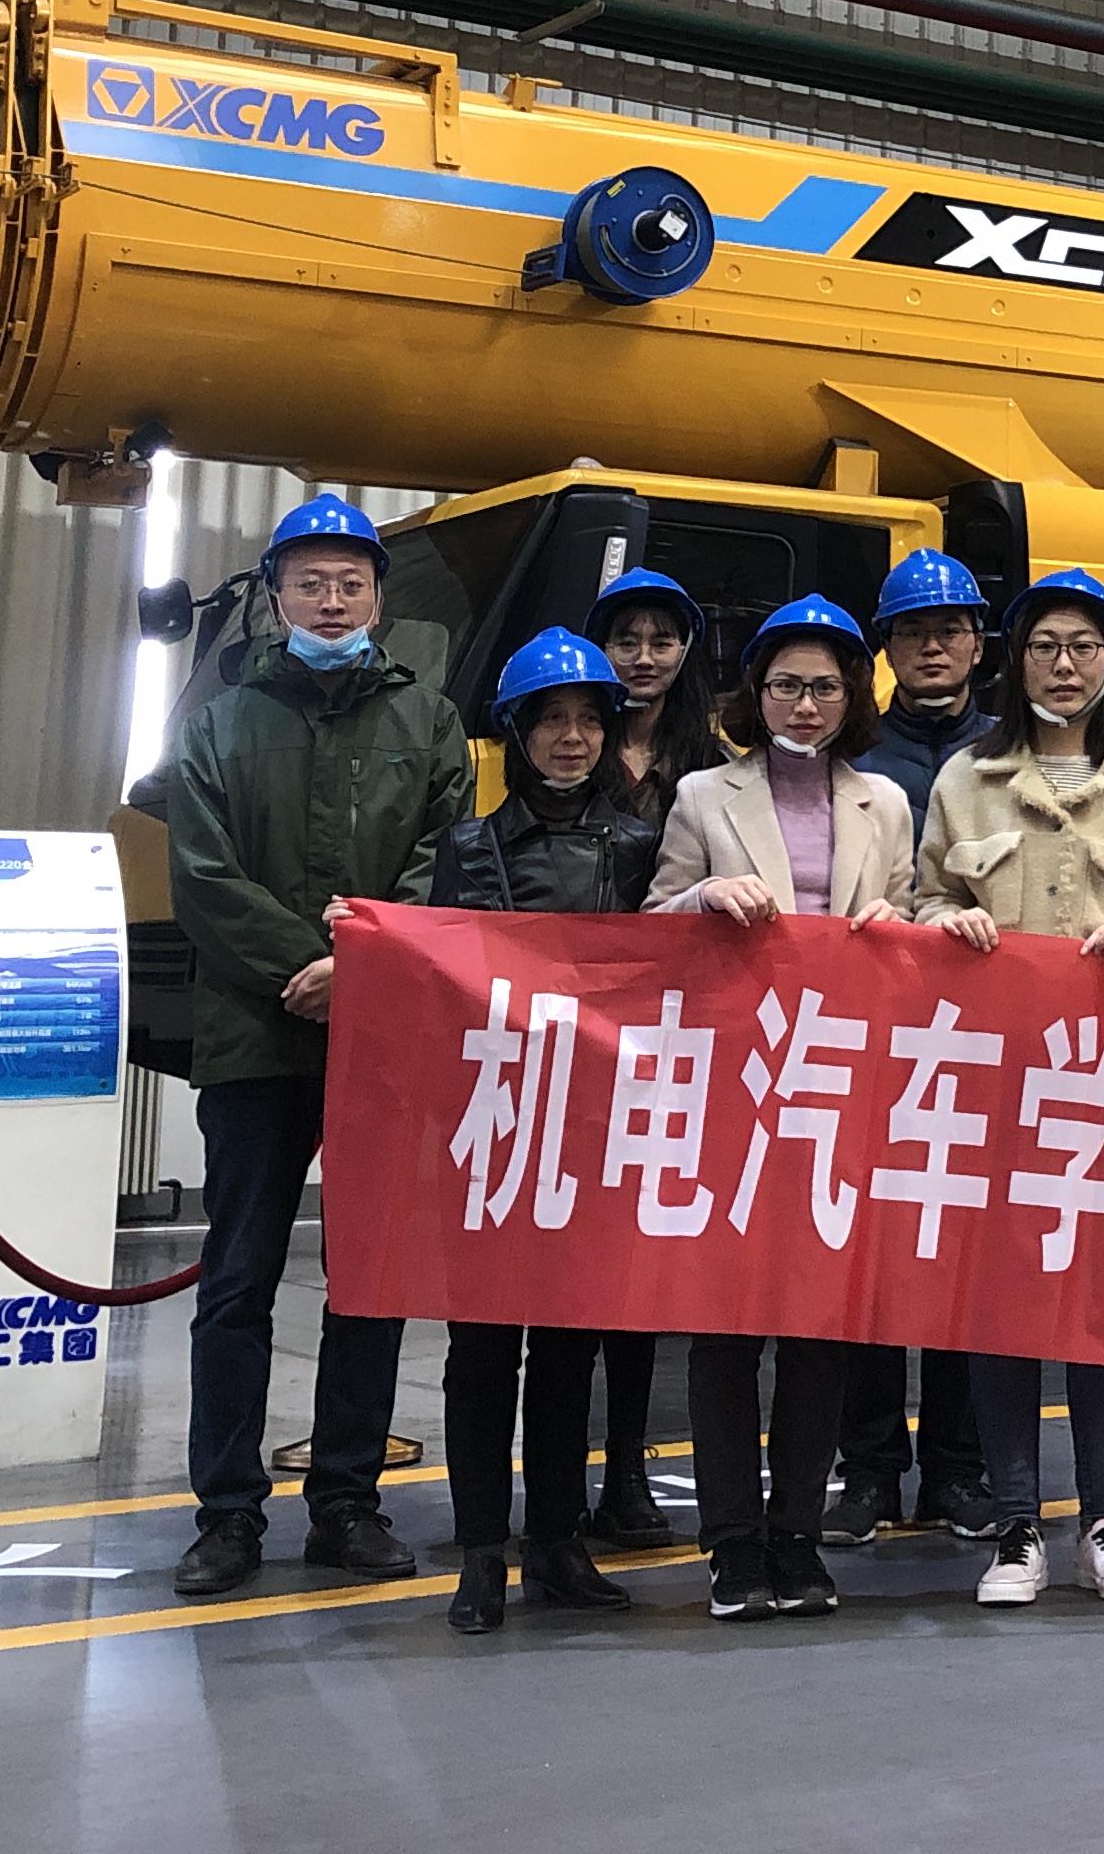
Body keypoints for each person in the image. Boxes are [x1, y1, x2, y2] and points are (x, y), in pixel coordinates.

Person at [164, 496, 472, 1600]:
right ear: (276, 596)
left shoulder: (428, 719)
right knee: (236, 1281)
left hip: (383, 1039)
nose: (331, 601)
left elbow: (446, 859)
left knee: (369, 1281)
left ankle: (347, 1501)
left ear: (379, 600)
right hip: (252, 1039)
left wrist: (361, 970)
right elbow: (200, 874)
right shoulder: (220, 719)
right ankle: (227, 1514)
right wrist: (306, 967)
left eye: (351, 583)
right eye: (310, 583)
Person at [916, 568, 1104, 1607]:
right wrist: (945, 922)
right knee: (1005, 1304)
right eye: (1043, 646)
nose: (1063, 666)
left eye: (1083, 647)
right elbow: (923, 897)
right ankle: (1017, 1526)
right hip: (996, 1083)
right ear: (1013, 659)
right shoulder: (964, 778)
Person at [650, 594, 913, 1619]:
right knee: (726, 1327)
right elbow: (648, 924)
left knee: (819, 1324)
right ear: (755, 696)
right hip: (733, 1084)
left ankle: (797, 1534)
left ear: (852, 699)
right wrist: (702, 898)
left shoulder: (884, 802)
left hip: (840, 1087)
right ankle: (730, 1541)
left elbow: (914, 922)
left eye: (825, 688)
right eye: (787, 686)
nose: (806, 705)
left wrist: (900, 923)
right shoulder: (703, 796)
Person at [427, 631, 663, 1633]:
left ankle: (559, 1543)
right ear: (517, 733)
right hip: (495, 1123)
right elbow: (436, 979)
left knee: (571, 1348)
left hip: (593, 1128)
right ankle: (482, 1552)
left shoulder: (642, 847)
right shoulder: (466, 848)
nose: (572, 738)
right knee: (483, 1351)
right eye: (552, 720)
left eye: (589, 721)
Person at [834, 547, 1002, 1549]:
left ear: (979, 642)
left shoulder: (1012, 751)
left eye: (949, 629)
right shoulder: (852, 757)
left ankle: (958, 1468)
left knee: (965, 1262)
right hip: (873, 1045)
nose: (932, 646)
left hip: (985, 1047)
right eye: (912, 632)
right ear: (886, 649)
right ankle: (867, 1469)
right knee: (870, 1262)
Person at [581, 563, 726, 1554]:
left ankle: (627, 1466)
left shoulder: (716, 768)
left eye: (661, 640)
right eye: (625, 639)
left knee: (644, 1273)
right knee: (574, 1270)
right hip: (576, 1041)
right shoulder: (564, 742)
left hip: (675, 1047)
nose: (643, 657)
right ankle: (563, 1473)